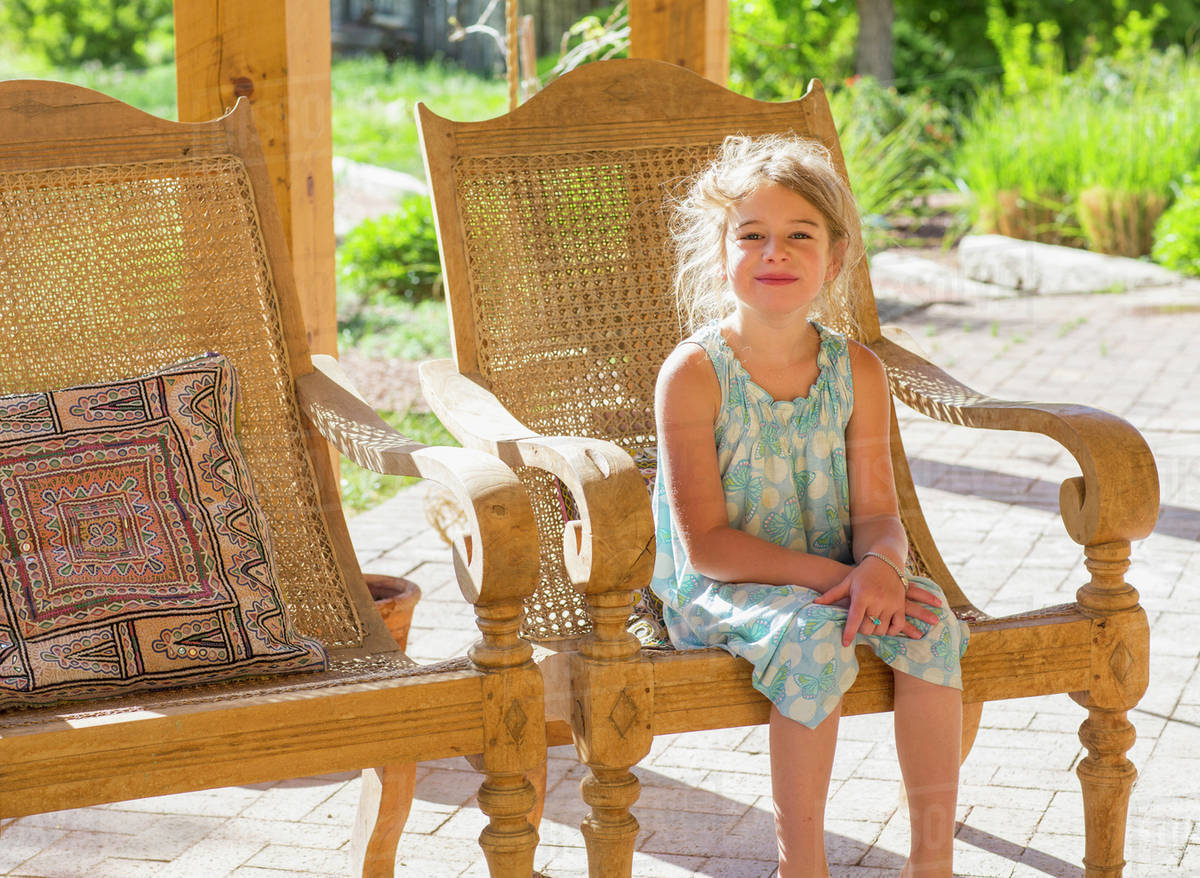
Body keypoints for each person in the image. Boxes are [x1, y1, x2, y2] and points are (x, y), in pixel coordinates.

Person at [650, 134, 970, 878]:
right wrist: (842, 577)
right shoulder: (693, 374)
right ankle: (804, 863)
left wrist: (883, 567)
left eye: (800, 235)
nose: (776, 253)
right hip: (724, 591)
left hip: (837, 576)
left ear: (836, 256)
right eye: (752, 235)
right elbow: (709, 549)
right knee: (812, 641)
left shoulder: (856, 370)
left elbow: (878, 514)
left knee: (930, 624)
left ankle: (933, 860)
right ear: (721, 251)